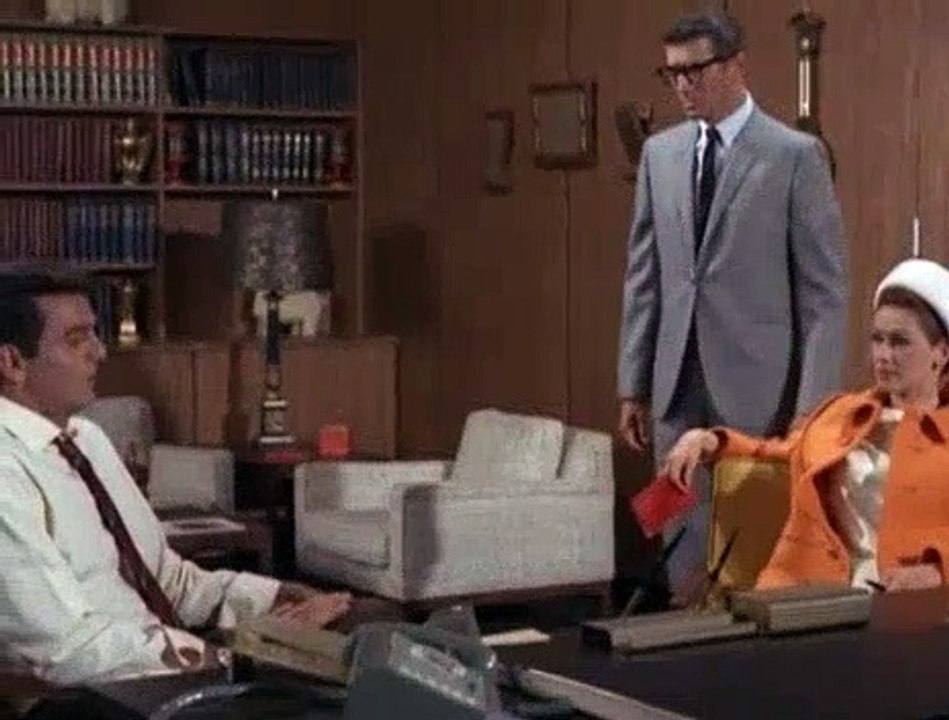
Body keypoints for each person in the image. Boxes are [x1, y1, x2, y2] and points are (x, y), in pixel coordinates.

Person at [0, 271, 353, 685]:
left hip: (169, 661)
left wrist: (271, 598)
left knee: (363, 631)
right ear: (12, 363)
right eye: (77, 340)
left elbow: (164, 579)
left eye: (95, 335)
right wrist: (236, 658)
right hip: (96, 692)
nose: (100, 352)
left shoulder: (86, 438)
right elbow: (67, 648)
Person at [616, 12, 848, 592]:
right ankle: (679, 623)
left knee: (748, 547)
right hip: (674, 384)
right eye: (672, 74)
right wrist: (633, 385)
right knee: (676, 537)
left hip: (760, 387)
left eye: (695, 70)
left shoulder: (794, 156)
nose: (683, 85)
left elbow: (824, 294)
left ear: (736, 66)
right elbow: (645, 276)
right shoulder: (659, 156)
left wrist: (811, 406)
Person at [663, 258, 949, 592]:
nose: (884, 355)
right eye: (878, 339)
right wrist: (705, 440)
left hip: (909, 602)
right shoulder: (841, 414)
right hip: (818, 591)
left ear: (941, 353)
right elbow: (775, 451)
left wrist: (937, 571)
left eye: (900, 342)